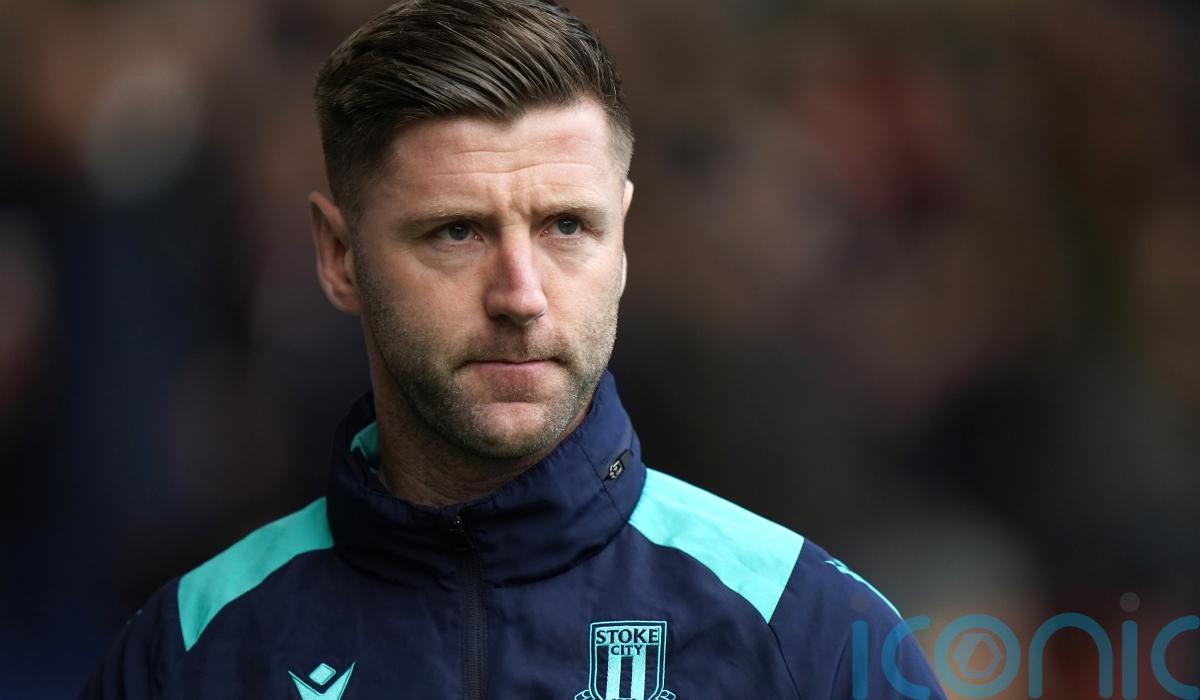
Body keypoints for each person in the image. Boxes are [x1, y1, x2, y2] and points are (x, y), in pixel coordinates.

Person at [84, 1, 946, 697]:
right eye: (456, 232)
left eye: (567, 226)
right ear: (339, 256)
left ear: (622, 243)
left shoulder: (808, 635)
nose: (521, 296)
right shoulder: (191, 651)